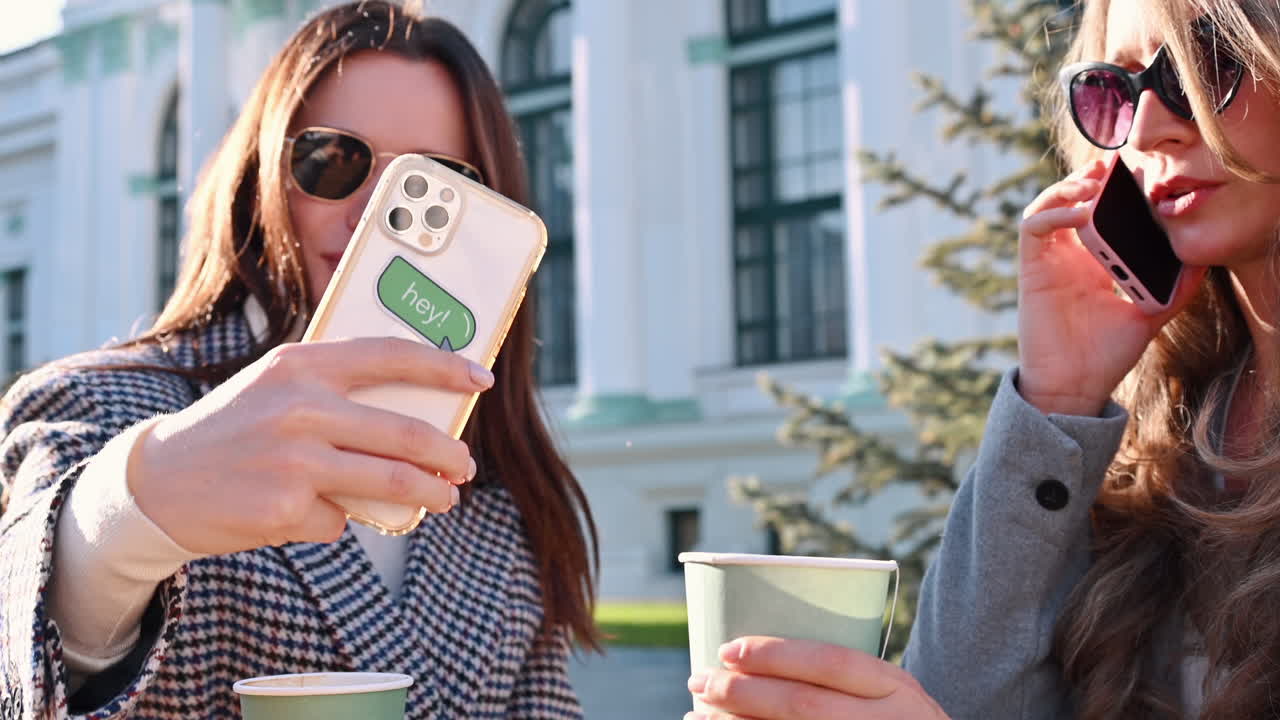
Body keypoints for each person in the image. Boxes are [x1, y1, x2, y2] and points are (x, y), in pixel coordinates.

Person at [680, 0, 1280, 718]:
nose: (1148, 128)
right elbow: (965, 696)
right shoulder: (1163, 438)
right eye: (1113, 90)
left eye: (1205, 63)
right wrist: (1058, 396)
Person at [0, 3, 599, 717]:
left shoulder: (502, 499)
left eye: (434, 185)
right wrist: (130, 511)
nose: (374, 218)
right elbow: (22, 649)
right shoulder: (107, 408)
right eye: (333, 160)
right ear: (263, 181)